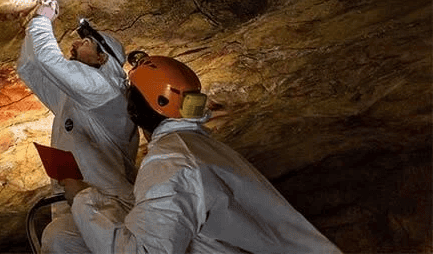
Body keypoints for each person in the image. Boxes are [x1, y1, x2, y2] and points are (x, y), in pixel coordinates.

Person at [60, 52, 343, 254]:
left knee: (62, 238)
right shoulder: (201, 147)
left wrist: (83, 200)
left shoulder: (172, 163)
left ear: (135, 109)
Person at [17, 0, 139, 254]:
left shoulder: (105, 90)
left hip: (109, 207)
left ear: (102, 59)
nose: (73, 45)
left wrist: (44, 18)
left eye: (84, 43)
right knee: (57, 238)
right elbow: (29, 67)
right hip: (82, 204)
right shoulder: (76, 97)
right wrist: (33, 26)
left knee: (58, 238)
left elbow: (50, 61)